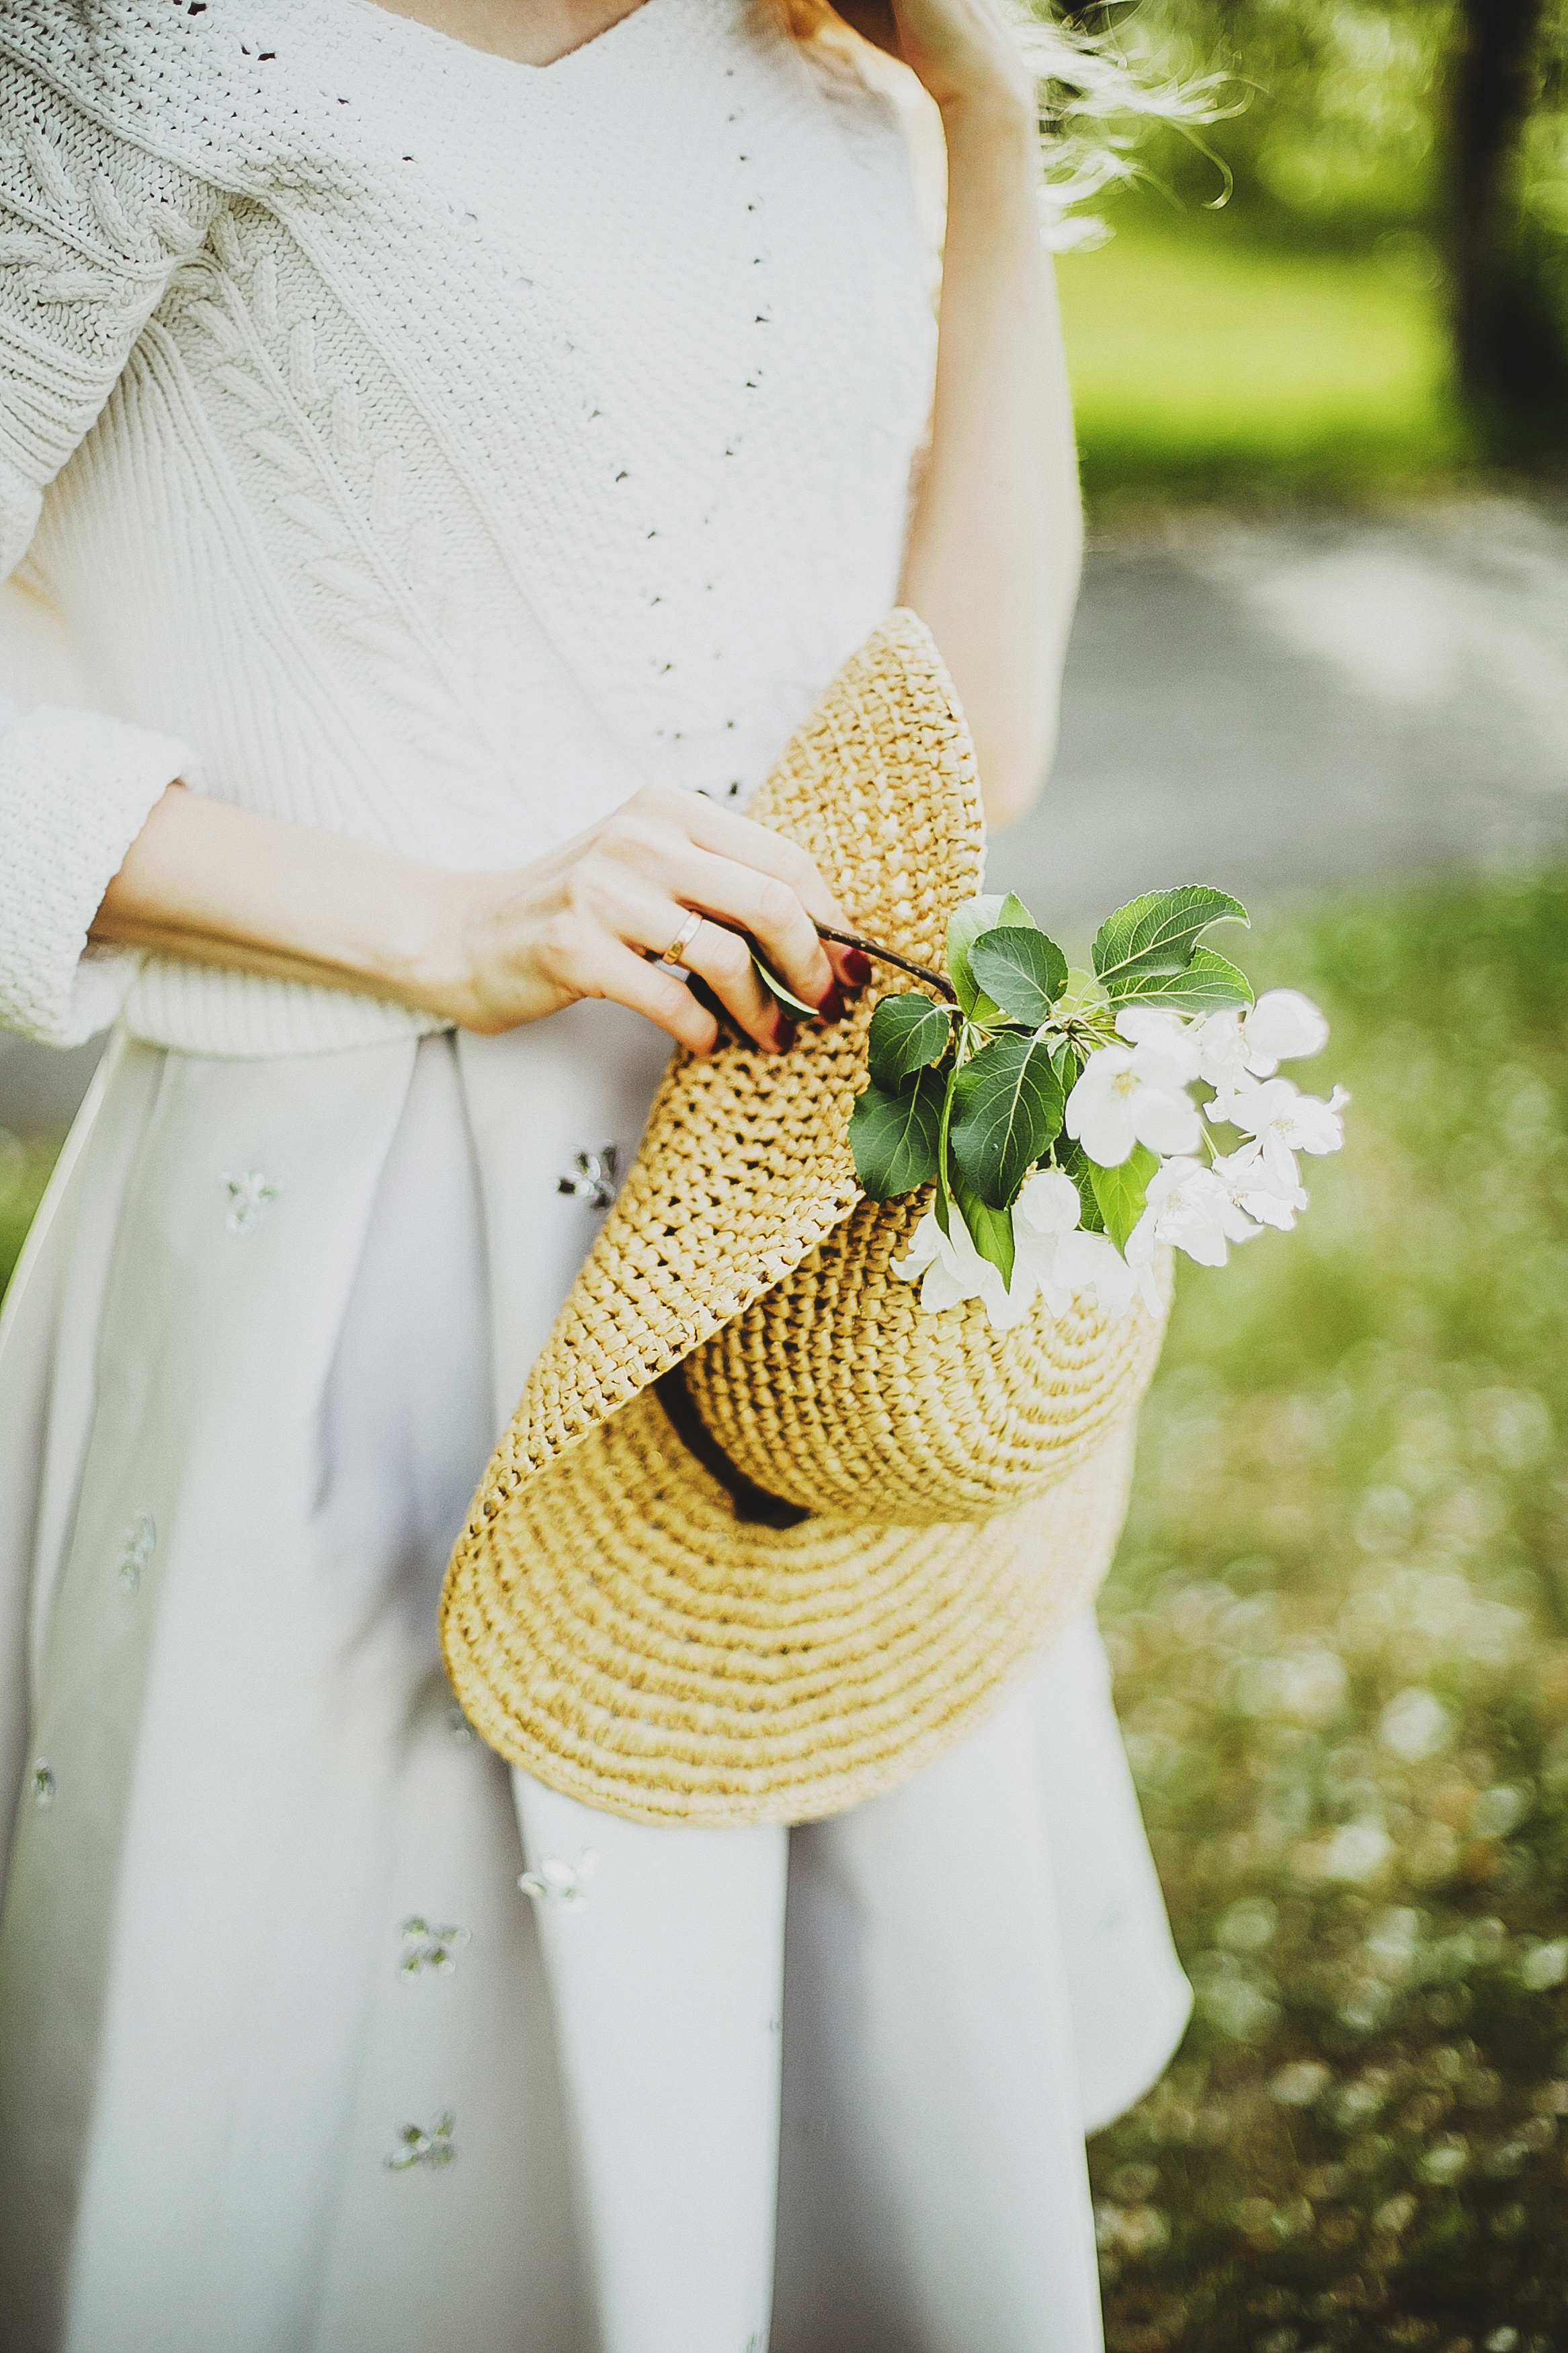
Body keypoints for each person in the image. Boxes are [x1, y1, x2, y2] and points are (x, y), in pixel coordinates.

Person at [0, 1, 1191, 2346]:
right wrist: (443, 920)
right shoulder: (124, 47)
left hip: (790, 1257)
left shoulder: (843, 72)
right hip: (352, 1251)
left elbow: (982, 730)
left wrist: (980, 107)